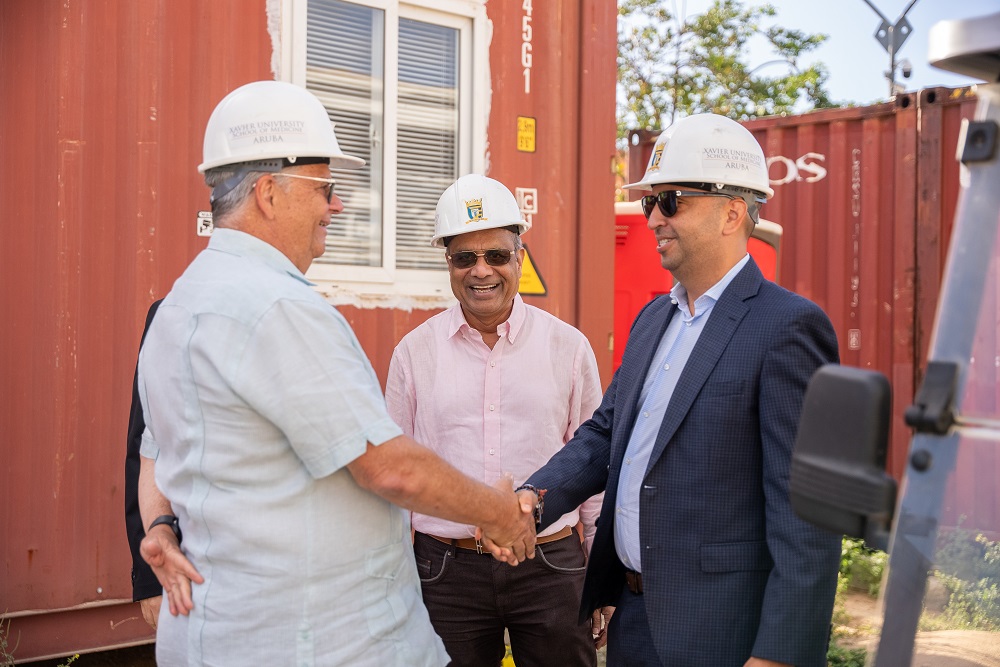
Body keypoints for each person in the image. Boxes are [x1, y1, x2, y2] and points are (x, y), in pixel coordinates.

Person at [135, 80, 536, 666]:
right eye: (325, 188)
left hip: (222, 631)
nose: (336, 205)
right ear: (270, 193)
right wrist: (499, 512)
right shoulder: (277, 308)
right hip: (317, 640)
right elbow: (389, 468)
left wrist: (161, 524)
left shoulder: (179, 305)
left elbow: (159, 454)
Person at [516, 113, 842, 667]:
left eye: (671, 201)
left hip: (722, 632)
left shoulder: (787, 328)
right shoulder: (653, 320)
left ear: (732, 212)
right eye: (650, 203)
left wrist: (780, 654)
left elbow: (805, 512)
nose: (653, 219)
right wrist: (534, 499)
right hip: (635, 619)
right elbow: (604, 434)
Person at [385, 174, 611, 667]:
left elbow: (594, 465)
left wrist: (601, 572)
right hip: (445, 569)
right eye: (465, 258)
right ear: (448, 264)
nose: (481, 271)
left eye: (496, 255)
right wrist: (391, 578)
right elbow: (395, 476)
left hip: (551, 565)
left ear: (520, 259)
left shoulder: (568, 348)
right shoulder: (413, 354)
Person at [124, 299, 163, 629]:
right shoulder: (172, 313)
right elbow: (145, 446)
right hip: (192, 573)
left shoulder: (298, 313)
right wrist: (151, 577)